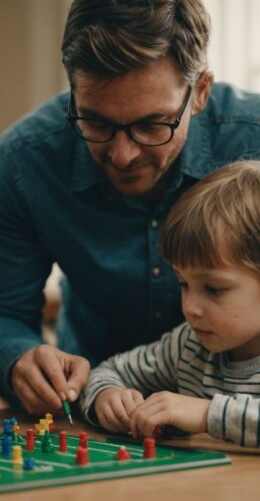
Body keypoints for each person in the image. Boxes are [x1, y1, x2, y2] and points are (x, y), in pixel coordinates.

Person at [0, 0, 260, 415]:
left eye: (151, 124)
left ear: (198, 92)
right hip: (95, 407)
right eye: (96, 122)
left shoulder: (251, 138)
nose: (122, 155)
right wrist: (21, 359)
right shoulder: (27, 159)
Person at [80, 161, 260, 446]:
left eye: (213, 289)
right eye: (183, 284)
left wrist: (205, 414)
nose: (190, 307)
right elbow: (109, 371)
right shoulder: (188, 346)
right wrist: (108, 397)